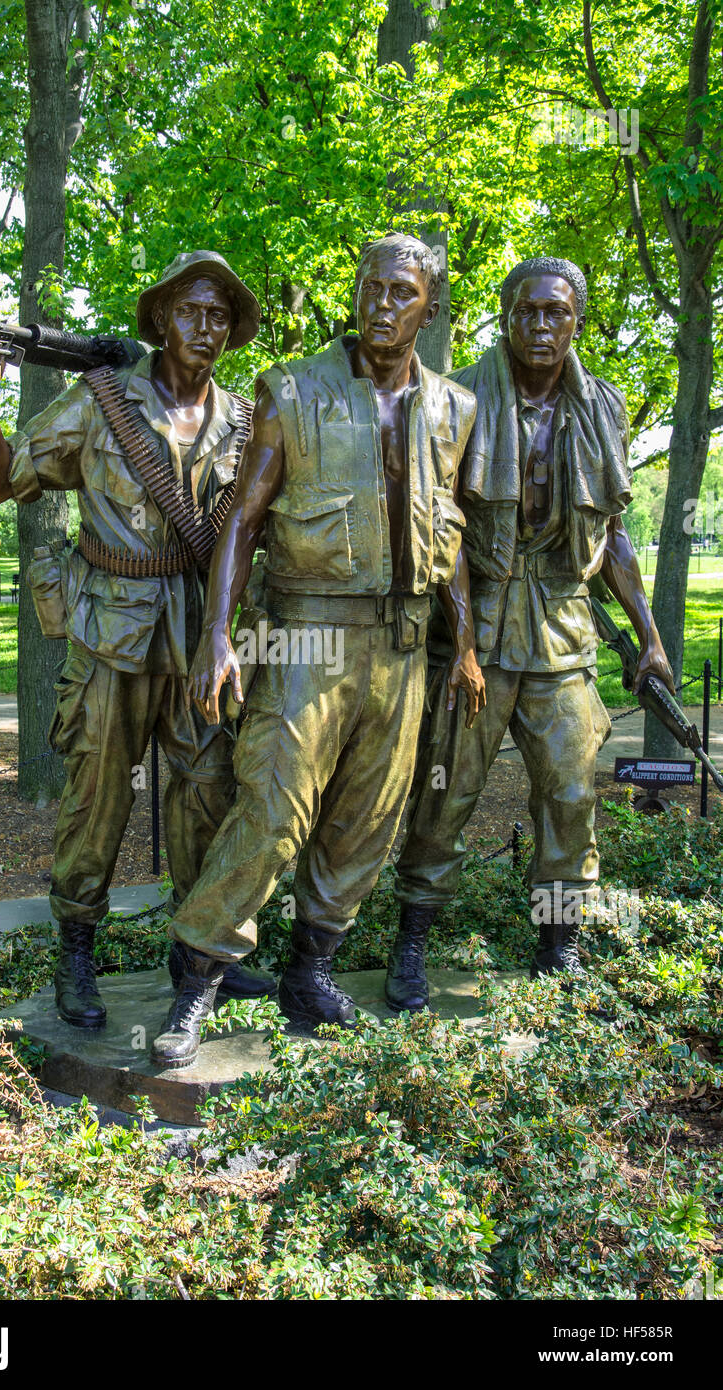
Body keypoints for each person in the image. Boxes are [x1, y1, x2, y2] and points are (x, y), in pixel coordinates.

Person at [151, 232, 482, 1068]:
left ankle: (312, 972)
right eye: (370, 286)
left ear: (429, 307)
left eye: (401, 293)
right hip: (308, 634)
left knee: (366, 822)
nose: (380, 304)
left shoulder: (454, 407)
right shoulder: (292, 390)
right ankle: (195, 982)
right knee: (270, 811)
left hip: (404, 644)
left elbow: (451, 536)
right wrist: (218, 634)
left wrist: (467, 646)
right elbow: (244, 521)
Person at [0, 250, 275, 1027]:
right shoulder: (99, 402)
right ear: (161, 319)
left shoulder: (244, 420)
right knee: (96, 801)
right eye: (191, 311)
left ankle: (199, 960)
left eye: (221, 315)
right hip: (109, 635)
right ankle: (76, 956)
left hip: (202, 640)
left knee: (208, 795)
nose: (206, 327)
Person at [388, 256, 674, 1010]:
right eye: (528, 312)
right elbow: (440, 529)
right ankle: (411, 942)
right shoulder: (455, 400)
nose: (542, 327)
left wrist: (648, 635)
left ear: (575, 320)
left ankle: (560, 943)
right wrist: (468, 647)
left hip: (561, 629)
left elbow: (611, 535)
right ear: (505, 316)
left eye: (557, 313)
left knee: (571, 793)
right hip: (472, 630)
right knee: (445, 791)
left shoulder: (603, 408)